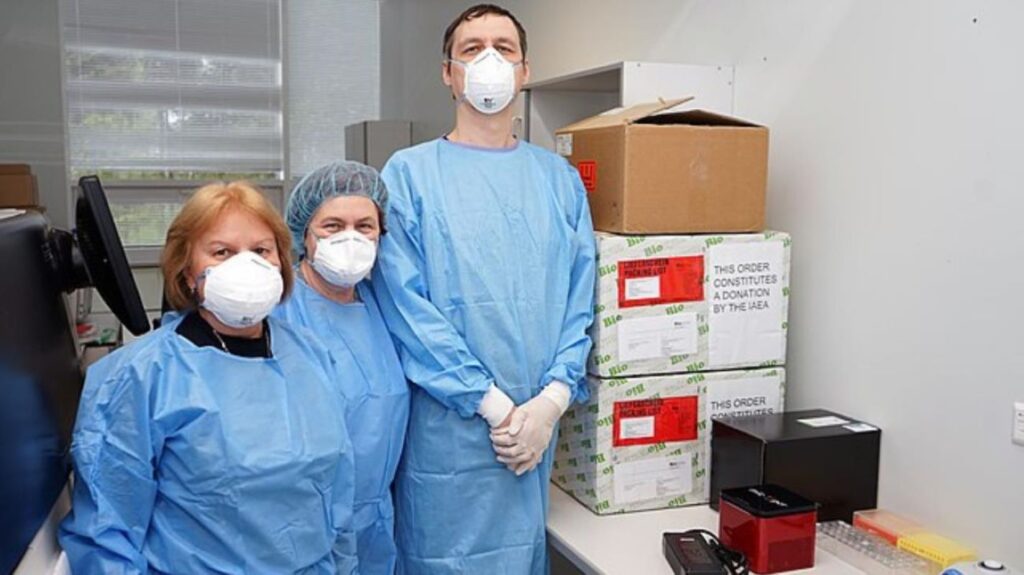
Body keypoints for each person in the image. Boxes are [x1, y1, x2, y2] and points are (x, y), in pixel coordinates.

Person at [371, 4, 597, 573]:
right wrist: (491, 404)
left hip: (534, 438)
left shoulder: (558, 180)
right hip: (450, 435)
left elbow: (580, 300)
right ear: (447, 72)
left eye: (504, 47)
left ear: (525, 71)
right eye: (472, 49)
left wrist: (550, 403)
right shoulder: (409, 174)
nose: (489, 59)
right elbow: (405, 308)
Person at [59, 181, 358, 575]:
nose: (246, 265)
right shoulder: (142, 375)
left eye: (261, 250)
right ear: (187, 273)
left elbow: (338, 496)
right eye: (223, 252)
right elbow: (107, 530)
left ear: (282, 263)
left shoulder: (312, 354)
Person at [273, 161, 410, 575]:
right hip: (303, 524)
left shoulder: (382, 308)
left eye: (364, 226)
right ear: (304, 234)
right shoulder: (281, 314)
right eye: (333, 226)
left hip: (375, 519)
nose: (351, 238)